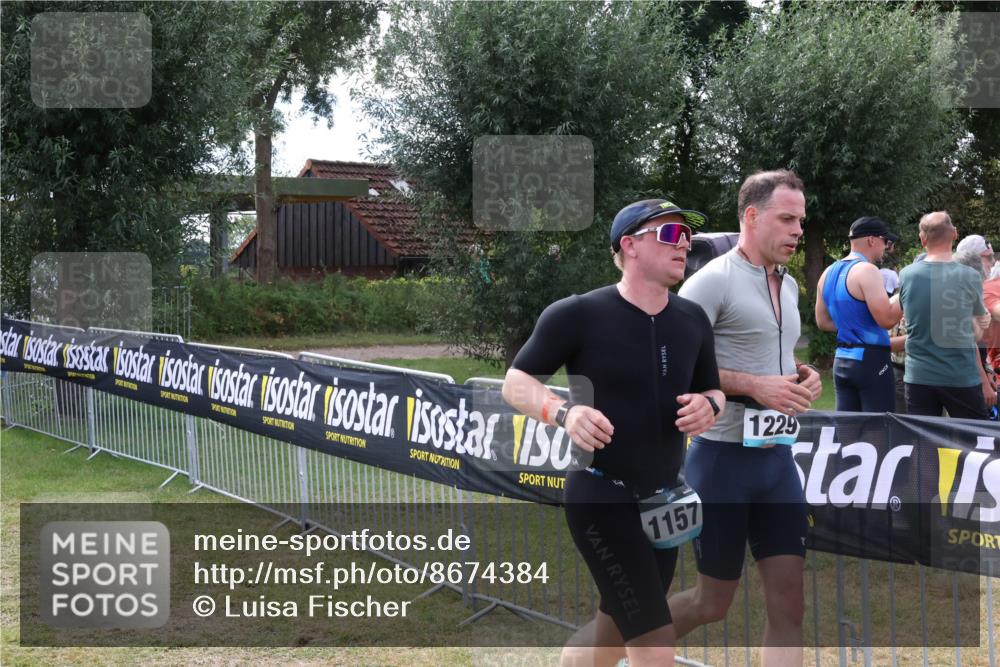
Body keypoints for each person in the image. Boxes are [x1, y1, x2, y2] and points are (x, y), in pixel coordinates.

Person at [502, 198, 725, 667]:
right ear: (629, 245)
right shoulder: (577, 313)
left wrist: (709, 405)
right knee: (654, 643)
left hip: (665, 501)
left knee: (611, 633)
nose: (683, 243)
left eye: (687, 235)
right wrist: (562, 413)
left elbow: (713, 389)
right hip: (603, 498)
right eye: (669, 234)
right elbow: (516, 383)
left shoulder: (692, 319)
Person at [668, 169, 822, 667]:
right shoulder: (710, 282)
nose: (798, 230)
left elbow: (772, 356)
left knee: (790, 605)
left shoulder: (791, 284)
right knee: (711, 603)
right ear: (752, 217)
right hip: (721, 463)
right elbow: (671, 367)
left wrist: (803, 376)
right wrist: (753, 386)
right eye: (787, 219)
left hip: (776, 462)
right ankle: (615, 643)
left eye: (800, 219)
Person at [898, 212, 991, 419]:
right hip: (960, 376)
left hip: (919, 377)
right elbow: (975, 332)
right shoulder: (970, 276)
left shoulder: (906, 274)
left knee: (923, 443)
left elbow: (906, 315)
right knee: (975, 442)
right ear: (955, 235)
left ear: (922, 240)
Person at [814, 217, 902, 412]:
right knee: (879, 431)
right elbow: (887, 320)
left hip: (842, 360)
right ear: (872, 240)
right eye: (885, 241)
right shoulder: (867, 270)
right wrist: (908, 294)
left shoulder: (828, 271)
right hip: (871, 360)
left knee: (848, 432)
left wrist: (854, 324)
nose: (886, 247)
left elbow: (822, 322)